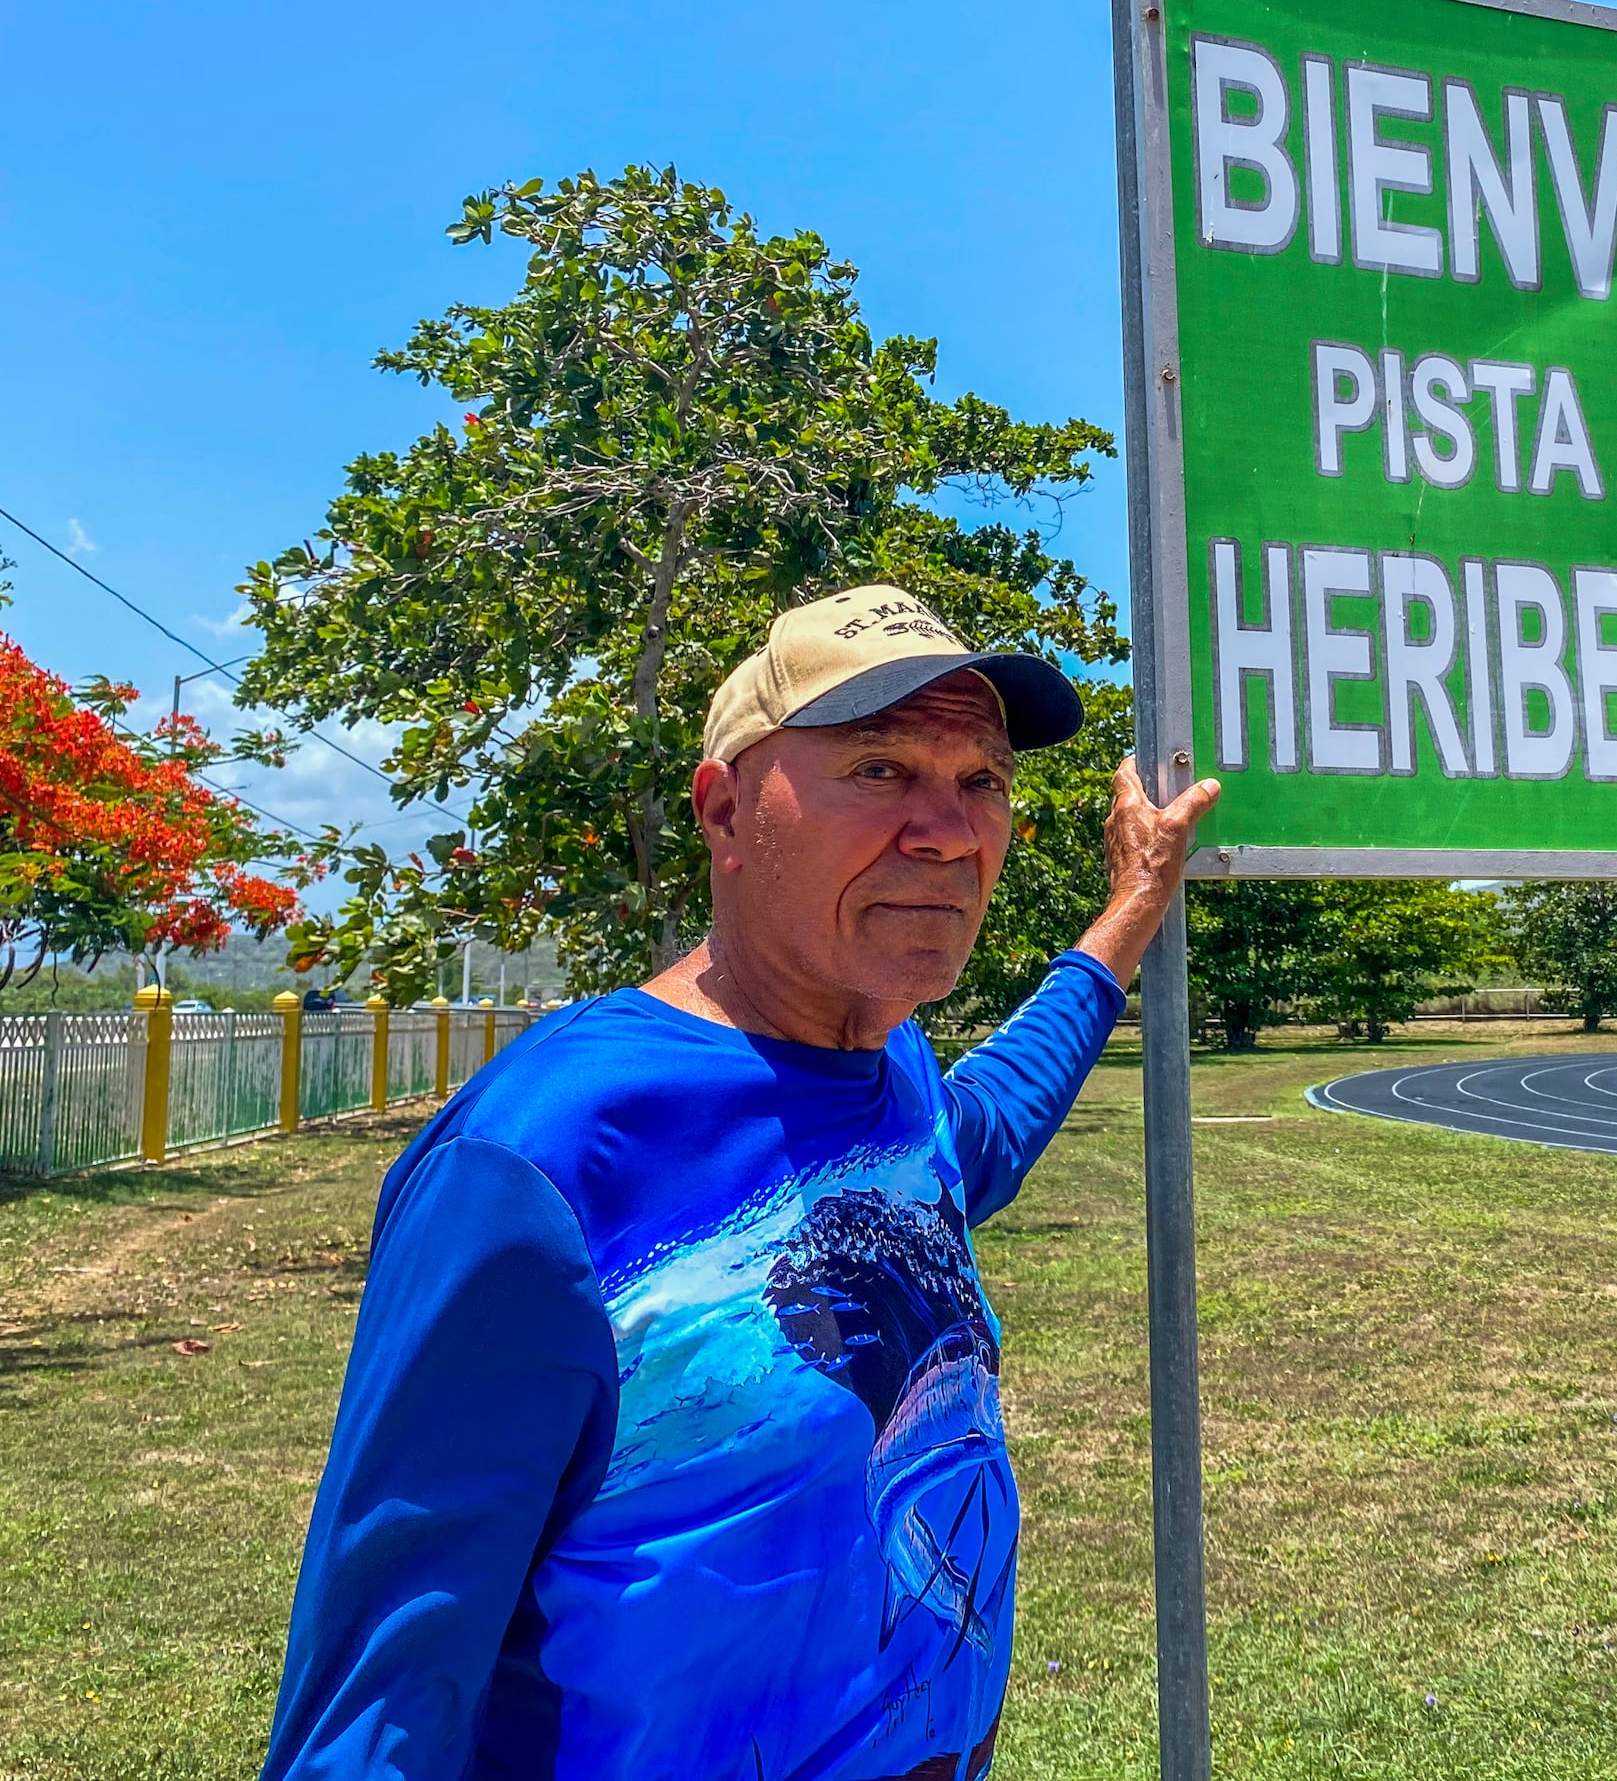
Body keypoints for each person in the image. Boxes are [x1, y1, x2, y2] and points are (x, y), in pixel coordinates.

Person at [262, 585, 1218, 1781]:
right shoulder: (545, 1159)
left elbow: (982, 1133)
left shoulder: (888, 1064)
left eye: (980, 782)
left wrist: (1129, 910)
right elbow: (382, 1694)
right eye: (878, 769)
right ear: (723, 811)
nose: (948, 830)